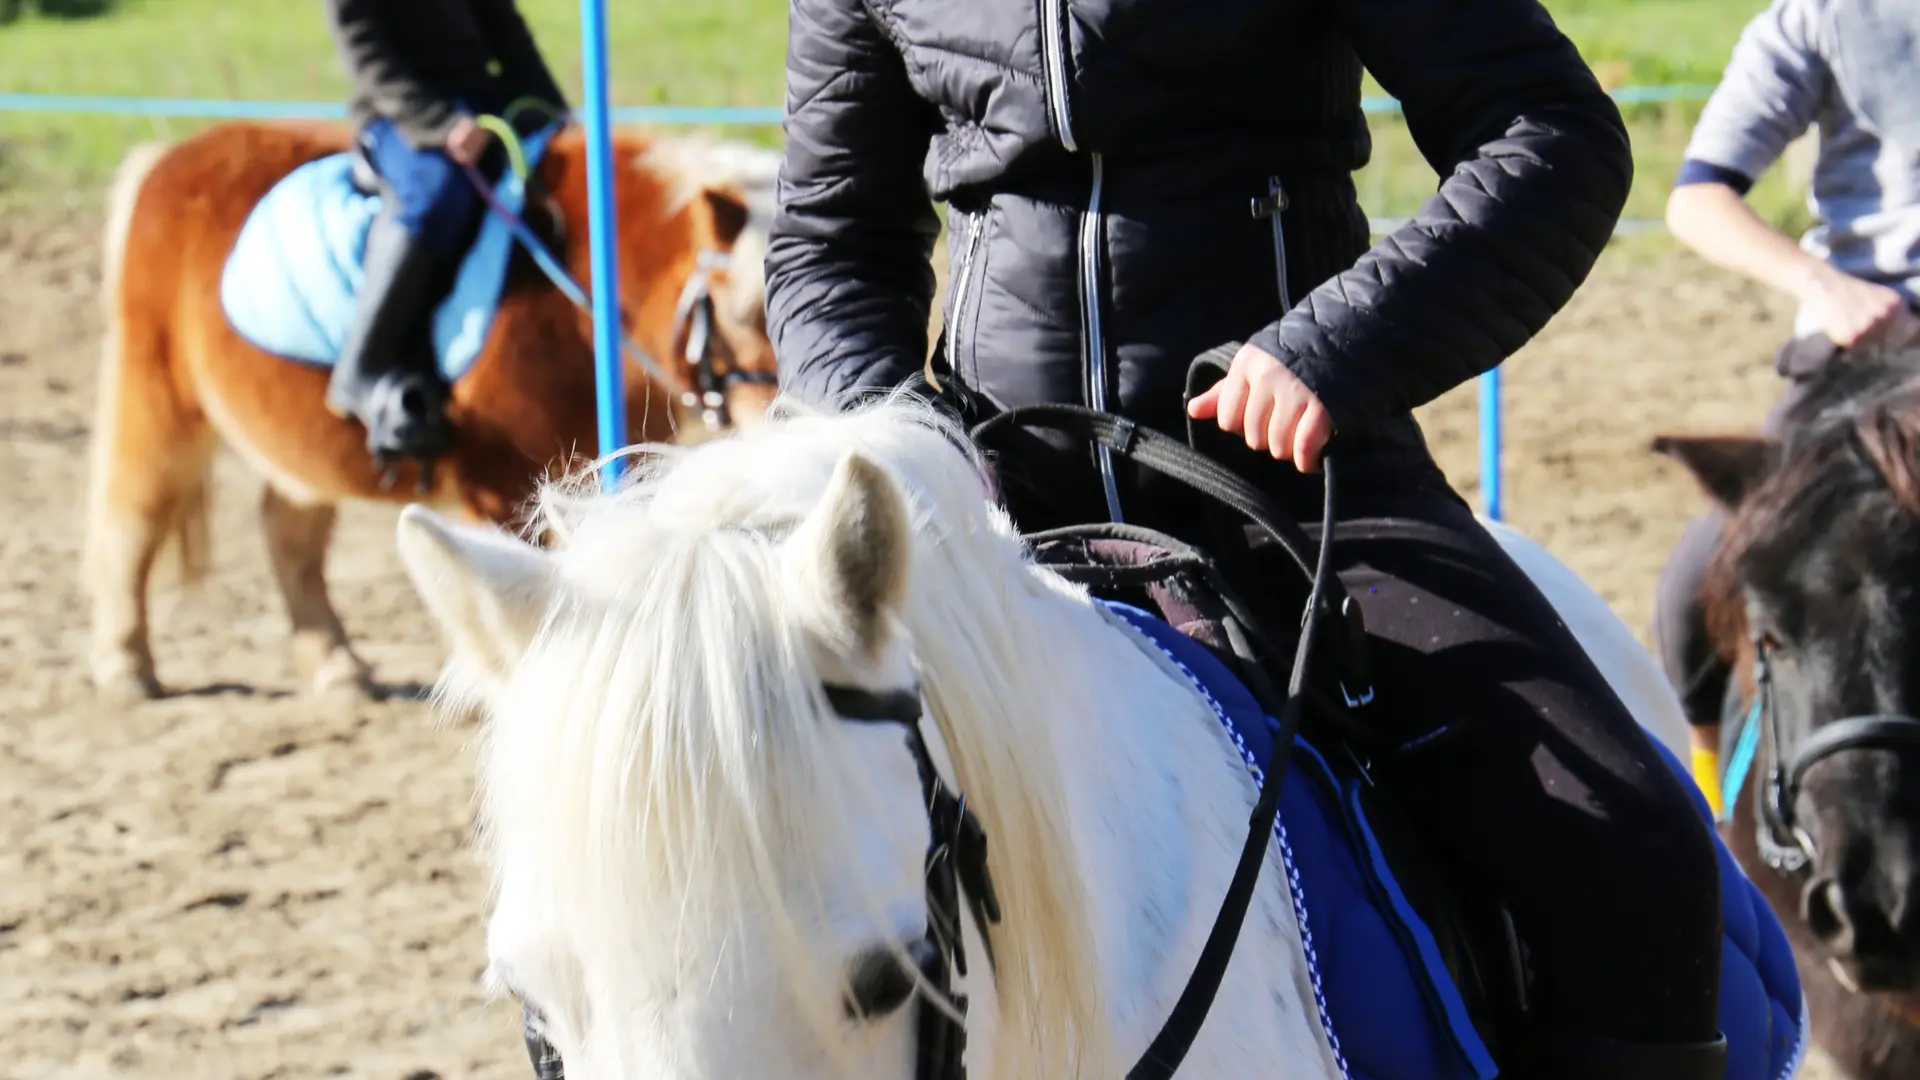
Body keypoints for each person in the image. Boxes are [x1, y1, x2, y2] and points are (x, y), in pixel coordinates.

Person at [763, 1, 1729, 1076]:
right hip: (983, 507)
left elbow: (1551, 137)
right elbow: (827, 246)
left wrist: (1332, 348)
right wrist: (911, 455)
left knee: (1635, 860)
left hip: (1300, 486)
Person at [1654, 0, 1920, 743]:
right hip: (1860, 364)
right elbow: (1698, 199)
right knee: (1689, 598)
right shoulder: (1820, 20)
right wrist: (1825, 286)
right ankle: (1712, 823)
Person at [321, 0, 569, 462]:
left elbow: (506, 27)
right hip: (399, 114)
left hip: (482, 99)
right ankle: (363, 364)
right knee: (435, 196)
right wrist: (437, 124)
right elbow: (365, 49)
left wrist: (552, 109)